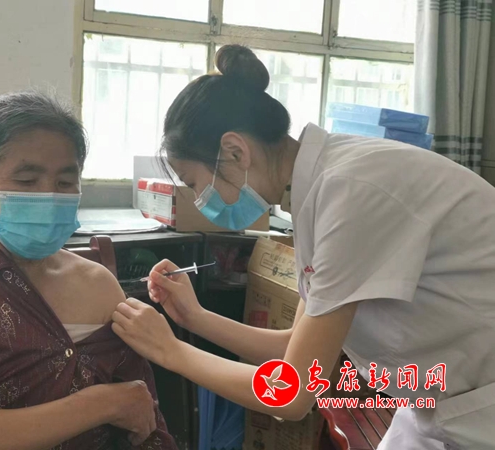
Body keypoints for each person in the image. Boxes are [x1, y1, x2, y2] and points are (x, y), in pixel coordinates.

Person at [111, 45, 495, 450]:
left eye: (194, 184)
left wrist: (169, 351)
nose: (199, 200)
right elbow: (292, 345)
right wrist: (195, 317)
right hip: (447, 403)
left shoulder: (350, 194)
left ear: (236, 151)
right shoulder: (319, 189)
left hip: (479, 407)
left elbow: (293, 392)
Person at [0, 91, 176, 450]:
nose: (49, 196)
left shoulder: (98, 283)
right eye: (27, 181)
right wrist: (102, 403)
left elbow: (143, 417)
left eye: (64, 183)